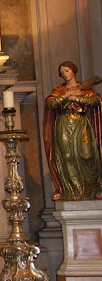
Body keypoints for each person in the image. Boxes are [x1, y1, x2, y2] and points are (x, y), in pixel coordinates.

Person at [44, 61, 102, 201]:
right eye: (62, 72)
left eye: (67, 70)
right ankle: (73, 189)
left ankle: (93, 188)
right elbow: (51, 103)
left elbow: (95, 101)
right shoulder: (59, 90)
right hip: (63, 124)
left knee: (87, 155)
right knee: (67, 156)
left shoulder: (85, 88)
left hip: (81, 123)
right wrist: (67, 94)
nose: (65, 74)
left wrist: (76, 97)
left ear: (73, 71)